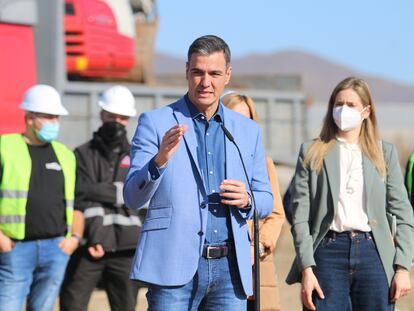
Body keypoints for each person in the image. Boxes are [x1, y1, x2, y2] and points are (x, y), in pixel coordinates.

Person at [123, 35, 273, 310]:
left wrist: (248, 200)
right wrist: (159, 161)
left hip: (230, 272)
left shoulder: (247, 131)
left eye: (214, 73)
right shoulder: (155, 123)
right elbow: (132, 197)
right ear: (187, 72)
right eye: (198, 72)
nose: (206, 82)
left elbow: (266, 199)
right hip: (172, 269)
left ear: (227, 75)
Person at [286, 77, 414, 311]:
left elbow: (403, 212)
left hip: (373, 254)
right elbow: (299, 217)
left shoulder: (384, 153)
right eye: (338, 103)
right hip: (327, 254)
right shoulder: (312, 152)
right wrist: (307, 269)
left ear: (366, 111)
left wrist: (403, 267)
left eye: (351, 105)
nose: (343, 110)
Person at [0, 84, 82, 311]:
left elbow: (77, 201)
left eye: (56, 117)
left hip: (56, 248)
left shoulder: (65, 154)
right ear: (29, 117)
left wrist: (74, 239)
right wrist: (1, 238)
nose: (54, 122)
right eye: (48, 117)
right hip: (15, 248)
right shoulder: (4, 147)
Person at [60, 85, 141, 311]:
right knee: (71, 303)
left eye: (122, 117)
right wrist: (121, 192)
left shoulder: (138, 155)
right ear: (101, 114)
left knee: (125, 307)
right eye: (112, 116)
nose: (116, 121)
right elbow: (80, 195)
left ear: (129, 119)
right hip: (89, 246)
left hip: (126, 248)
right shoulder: (81, 154)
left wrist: (98, 189)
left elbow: (140, 195)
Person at [222, 93, 285, 311]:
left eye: (247, 120)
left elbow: (276, 214)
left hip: (256, 264)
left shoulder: (264, 163)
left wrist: (256, 247)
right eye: (234, 117)